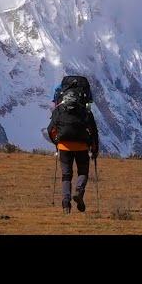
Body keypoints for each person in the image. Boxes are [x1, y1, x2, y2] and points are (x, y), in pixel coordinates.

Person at [47, 77, 99, 214]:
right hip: (82, 146)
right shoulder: (85, 111)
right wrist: (95, 149)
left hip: (64, 146)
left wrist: (57, 141)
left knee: (66, 175)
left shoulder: (59, 109)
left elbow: (50, 129)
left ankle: (66, 204)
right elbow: (93, 131)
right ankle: (79, 191)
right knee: (83, 172)